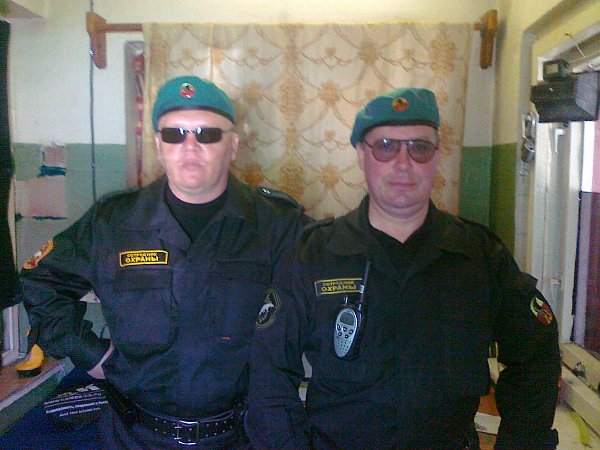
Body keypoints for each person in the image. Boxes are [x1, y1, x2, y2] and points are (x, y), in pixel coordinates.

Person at [246, 87, 561, 449]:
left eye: (419, 147)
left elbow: (536, 354)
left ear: (437, 156)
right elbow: (269, 372)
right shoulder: (314, 253)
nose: (402, 163)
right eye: (385, 146)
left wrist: (521, 442)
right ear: (361, 155)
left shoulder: (479, 255)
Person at [20, 75, 307, 449]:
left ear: (233, 145)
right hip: (134, 436)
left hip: (243, 435)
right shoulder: (114, 221)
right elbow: (42, 279)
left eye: (207, 134)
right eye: (174, 134)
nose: (190, 147)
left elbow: (330, 302)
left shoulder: (278, 223)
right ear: (158, 145)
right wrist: (92, 355)